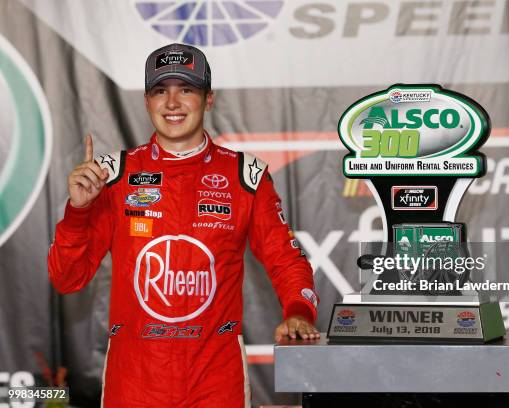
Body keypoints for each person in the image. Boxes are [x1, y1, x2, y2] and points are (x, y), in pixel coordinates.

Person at [48, 43, 319, 407]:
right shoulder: (112, 175)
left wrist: (299, 312)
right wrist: (79, 212)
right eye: (161, 91)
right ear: (147, 101)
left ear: (209, 99)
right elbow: (67, 278)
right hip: (135, 383)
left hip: (214, 382)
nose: (172, 103)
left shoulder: (245, 176)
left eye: (186, 89)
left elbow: (286, 260)